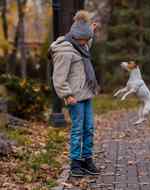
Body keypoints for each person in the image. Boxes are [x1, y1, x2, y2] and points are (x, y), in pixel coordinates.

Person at [49, 10, 99, 177]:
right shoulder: (64, 50)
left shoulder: (81, 45)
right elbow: (59, 78)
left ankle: (87, 159)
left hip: (87, 93)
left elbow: (86, 44)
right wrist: (67, 95)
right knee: (78, 129)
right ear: (78, 36)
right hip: (75, 97)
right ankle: (75, 163)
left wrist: (91, 30)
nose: (88, 41)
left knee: (89, 128)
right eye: (86, 37)